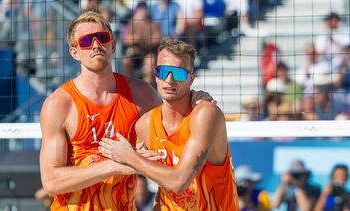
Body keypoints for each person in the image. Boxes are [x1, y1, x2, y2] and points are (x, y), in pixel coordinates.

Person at [39, 11, 213, 210]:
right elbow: (51, 182)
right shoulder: (59, 104)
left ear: (112, 45)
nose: (96, 45)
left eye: (102, 38)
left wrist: (196, 100)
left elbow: (175, 133)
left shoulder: (140, 94)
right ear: (75, 52)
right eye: (87, 41)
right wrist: (116, 165)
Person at [100, 38, 239, 210]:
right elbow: (165, 186)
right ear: (156, 75)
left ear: (191, 79)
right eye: (163, 71)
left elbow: (178, 182)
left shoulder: (205, 114)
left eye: (178, 73)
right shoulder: (145, 124)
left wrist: (129, 156)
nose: (170, 79)